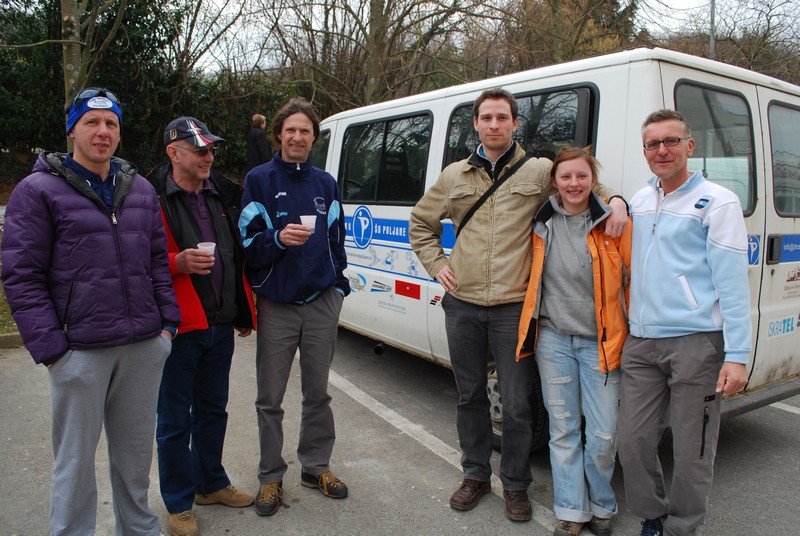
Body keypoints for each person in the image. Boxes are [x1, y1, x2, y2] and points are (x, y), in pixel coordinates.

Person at [409, 87, 628, 522]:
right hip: (462, 305)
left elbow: (585, 184)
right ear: (475, 124)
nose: (494, 125)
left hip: (514, 307)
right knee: (470, 396)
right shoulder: (454, 176)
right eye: (486, 118)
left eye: (502, 118)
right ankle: (474, 475)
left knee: (516, 402)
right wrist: (437, 265)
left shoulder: (539, 170)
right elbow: (420, 222)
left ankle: (515, 484)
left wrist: (618, 201)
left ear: (515, 123)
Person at [0, 87, 180, 536]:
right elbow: (21, 275)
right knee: (75, 464)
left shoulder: (139, 189)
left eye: (111, 123)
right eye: (92, 122)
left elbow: (157, 262)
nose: (103, 132)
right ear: (72, 130)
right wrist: (54, 352)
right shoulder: (37, 191)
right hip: (80, 350)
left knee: (135, 461)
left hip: (143, 345)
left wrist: (167, 326)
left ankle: (139, 530)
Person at [618, 109, 752, 536]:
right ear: (644, 151)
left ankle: (683, 527)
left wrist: (738, 355)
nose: (662, 150)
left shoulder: (718, 201)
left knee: (693, 449)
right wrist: (618, 200)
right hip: (641, 342)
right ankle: (652, 516)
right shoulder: (640, 200)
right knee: (632, 441)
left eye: (671, 141)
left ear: (690, 146)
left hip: (697, 343)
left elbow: (733, 285)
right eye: (653, 144)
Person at [238, 97, 350, 516]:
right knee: (270, 397)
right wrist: (278, 239)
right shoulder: (258, 180)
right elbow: (247, 243)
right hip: (278, 304)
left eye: (305, 130)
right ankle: (270, 476)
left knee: (318, 393)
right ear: (278, 135)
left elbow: (336, 239)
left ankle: (315, 467)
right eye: (291, 130)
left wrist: (338, 285)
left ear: (313, 137)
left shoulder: (325, 183)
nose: (297, 137)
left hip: (321, 302)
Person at [146, 116, 257, 536]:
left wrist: (242, 310)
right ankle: (179, 502)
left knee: (212, 411)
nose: (209, 157)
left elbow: (237, 255)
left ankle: (210, 483)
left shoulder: (223, 193)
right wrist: (176, 262)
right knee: (174, 420)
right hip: (178, 327)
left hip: (220, 323)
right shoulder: (149, 196)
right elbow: (133, 256)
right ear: (173, 153)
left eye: (211, 149)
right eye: (199, 150)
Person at [515, 147, 631, 536]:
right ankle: (571, 510)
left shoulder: (613, 223)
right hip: (554, 341)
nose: (574, 184)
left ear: (593, 180)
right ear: (554, 182)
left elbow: (632, 281)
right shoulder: (540, 221)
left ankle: (602, 504)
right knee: (563, 429)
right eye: (565, 177)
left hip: (601, 343)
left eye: (582, 176)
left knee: (603, 434)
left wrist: (618, 201)